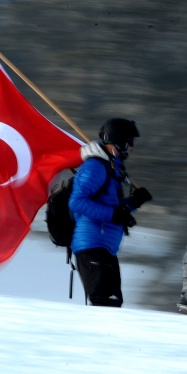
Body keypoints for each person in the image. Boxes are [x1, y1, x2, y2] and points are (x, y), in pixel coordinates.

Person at [70, 118, 152, 306]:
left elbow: (112, 206)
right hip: (92, 245)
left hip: (105, 248)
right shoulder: (95, 167)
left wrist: (133, 202)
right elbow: (77, 202)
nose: (131, 147)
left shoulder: (112, 168)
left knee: (112, 305)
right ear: (118, 140)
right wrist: (114, 214)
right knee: (106, 305)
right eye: (129, 141)